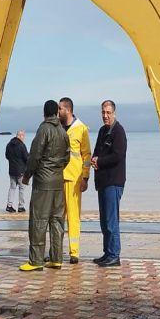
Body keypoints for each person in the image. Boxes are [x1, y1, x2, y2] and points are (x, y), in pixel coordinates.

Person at [20, 100, 69, 272]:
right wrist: (57, 170)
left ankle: (36, 261)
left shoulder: (43, 129)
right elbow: (67, 157)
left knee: (38, 220)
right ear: (57, 112)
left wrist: (27, 175)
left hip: (43, 182)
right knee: (57, 220)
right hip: (58, 181)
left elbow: (34, 156)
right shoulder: (63, 131)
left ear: (44, 113)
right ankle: (56, 258)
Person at [91, 100, 127, 267]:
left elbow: (118, 156)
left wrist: (100, 161)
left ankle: (114, 255)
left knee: (112, 221)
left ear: (114, 113)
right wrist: (94, 160)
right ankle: (107, 253)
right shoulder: (102, 130)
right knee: (104, 221)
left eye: (108, 112)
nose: (105, 116)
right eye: (103, 113)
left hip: (114, 182)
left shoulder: (118, 131)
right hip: (103, 181)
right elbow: (97, 151)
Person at [57, 97, 91, 264]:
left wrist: (85, 177)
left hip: (74, 178)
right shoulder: (57, 127)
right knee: (56, 217)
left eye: (60, 109)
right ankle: (55, 251)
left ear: (68, 110)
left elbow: (86, 155)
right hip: (57, 177)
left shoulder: (81, 129)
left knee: (73, 216)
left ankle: (74, 252)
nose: (58, 112)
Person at [4, 130, 28, 213]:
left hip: (12, 170)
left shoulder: (9, 144)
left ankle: (9, 205)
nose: (24, 138)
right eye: (23, 136)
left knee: (12, 188)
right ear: (20, 136)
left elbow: (6, 156)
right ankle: (21, 206)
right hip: (21, 171)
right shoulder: (22, 145)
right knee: (22, 189)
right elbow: (26, 158)